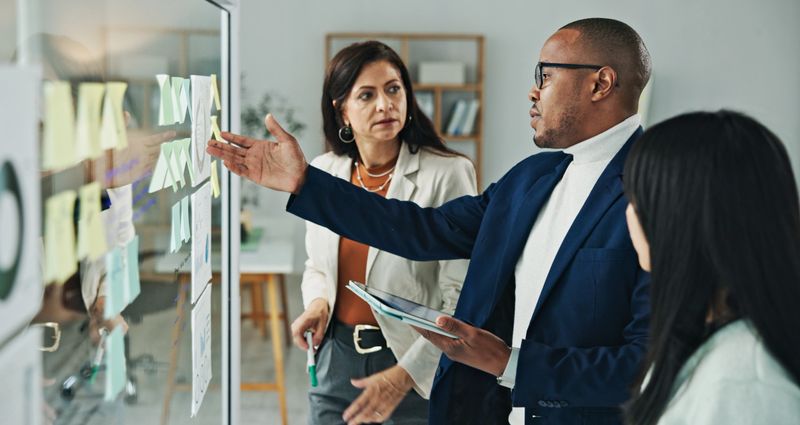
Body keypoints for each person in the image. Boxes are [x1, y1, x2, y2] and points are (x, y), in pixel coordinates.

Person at [209, 17, 651, 425]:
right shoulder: (532, 178)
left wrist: (510, 364)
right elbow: (422, 229)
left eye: (546, 76)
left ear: (600, 83)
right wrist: (305, 183)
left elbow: (647, 366)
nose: (533, 92)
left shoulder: (658, 195)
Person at [287, 41, 476, 425]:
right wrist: (318, 303)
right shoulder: (323, 173)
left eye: (393, 89)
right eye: (367, 95)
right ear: (342, 110)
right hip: (335, 359)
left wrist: (407, 374)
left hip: (413, 363)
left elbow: (462, 293)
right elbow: (317, 266)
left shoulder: (448, 173)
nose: (385, 104)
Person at [622, 111, 800, 425]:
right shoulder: (710, 344)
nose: (628, 213)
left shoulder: (746, 382)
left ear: (675, 218)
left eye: (636, 198)